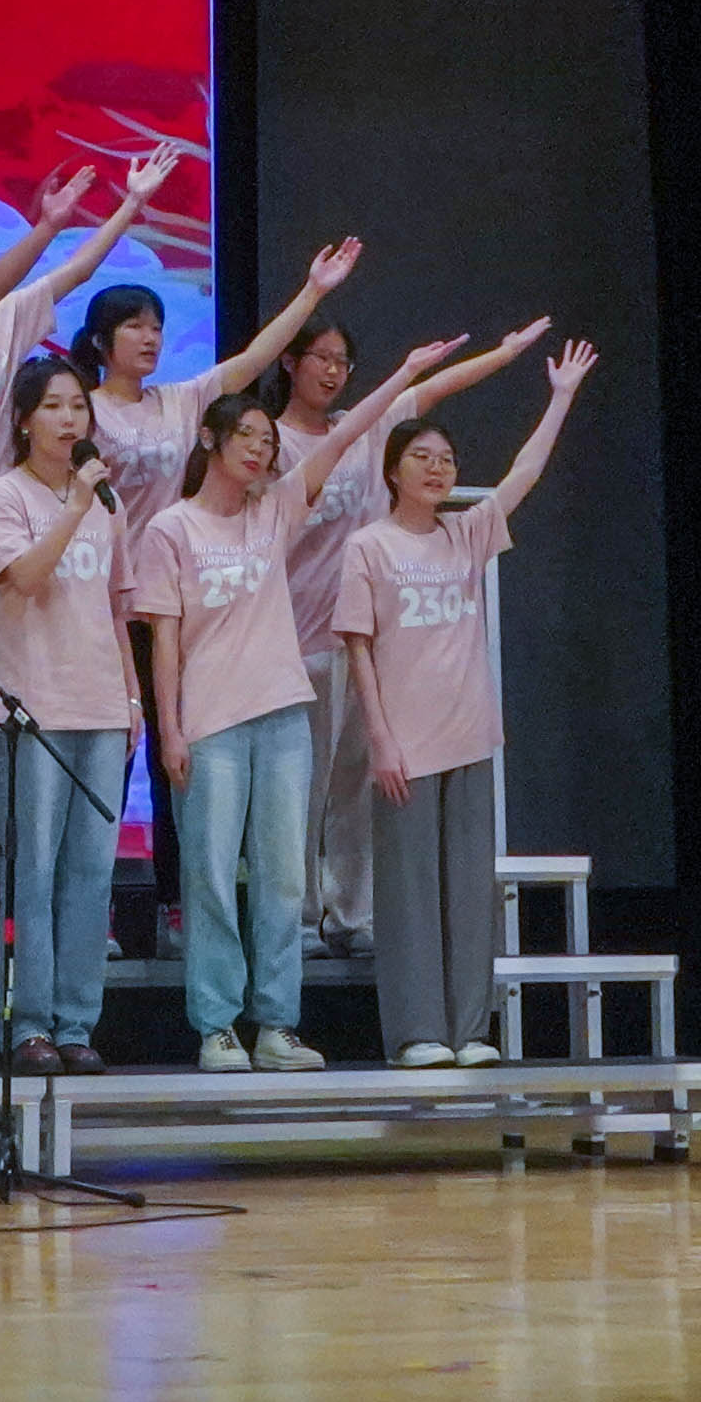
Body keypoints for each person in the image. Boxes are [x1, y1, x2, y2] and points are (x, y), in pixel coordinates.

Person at [132, 334, 461, 1074]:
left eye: (268, 441)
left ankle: (277, 1023)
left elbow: (344, 436)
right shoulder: (170, 528)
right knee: (212, 876)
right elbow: (164, 641)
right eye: (246, 437)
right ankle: (217, 1025)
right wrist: (170, 729)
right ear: (210, 440)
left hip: (283, 714)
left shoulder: (277, 509)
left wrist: (405, 371)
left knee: (282, 877)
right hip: (210, 724)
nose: (260, 449)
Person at [79, 238, 375, 947]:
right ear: (99, 340)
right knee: (107, 761)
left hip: (176, 603)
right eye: (134, 325)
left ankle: (176, 904)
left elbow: (250, 361)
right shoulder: (80, 410)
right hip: (96, 607)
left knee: (175, 762)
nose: (151, 336)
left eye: (157, 325)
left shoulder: (181, 402)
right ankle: (91, 915)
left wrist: (312, 291)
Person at [0, 156, 174, 852]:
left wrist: (129, 206)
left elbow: (74, 273)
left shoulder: (10, 315)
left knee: (3, 673)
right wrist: (43, 227)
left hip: (6, 521)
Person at [338, 338, 595, 1067]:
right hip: (406, 744)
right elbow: (358, 647)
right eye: (421, 456)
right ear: (393, 471)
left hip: (470, 733)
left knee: (469, 891)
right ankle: (417, 1032)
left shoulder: (467, 531)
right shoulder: (370, 546)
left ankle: (470, 1030)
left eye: (446, 459)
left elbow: (525, 473)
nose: (437, 467)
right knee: (410, 892)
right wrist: (381, 739)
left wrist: (561, 396)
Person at [270, 312, 549, 955]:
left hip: (371, 644)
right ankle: (299, 916)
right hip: (297, 637)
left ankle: (351, 913)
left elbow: (434, 389)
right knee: (301, 789)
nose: (333, 371)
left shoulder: (369, 427)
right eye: (320, 358)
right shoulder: (272, 442)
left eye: (343, 361)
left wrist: (505, 354)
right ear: (290, 362)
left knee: (358, 784)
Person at [0, 356, 143, 1073]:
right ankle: (30, 1025)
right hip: (32, 709)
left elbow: (115, 606)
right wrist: (74, 506)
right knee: (36, 871)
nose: (69, 418)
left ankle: (78, 1024)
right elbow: (23, 577)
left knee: (91, 873)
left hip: (101, 705)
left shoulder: (109, 504)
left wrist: (132, 695)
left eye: (78, 405)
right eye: (52, 406)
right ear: (24, 420)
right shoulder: (4, 496)